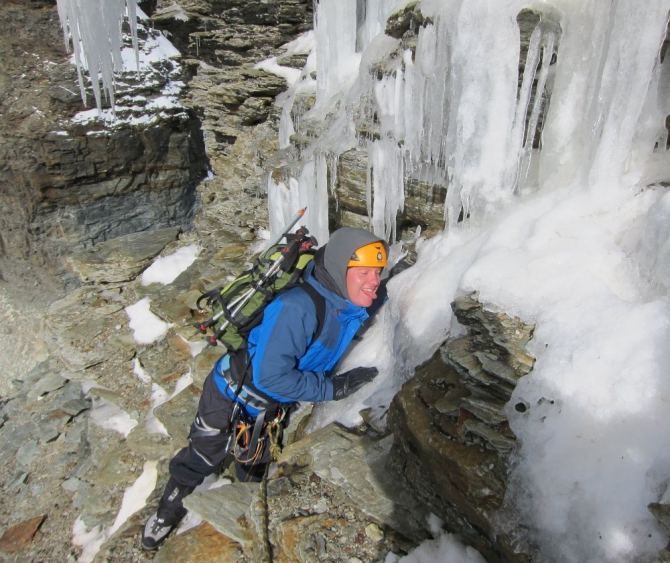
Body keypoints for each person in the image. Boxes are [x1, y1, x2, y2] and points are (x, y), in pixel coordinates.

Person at [141, 227, 388, 551]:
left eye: (379, 272)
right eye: (365, 272)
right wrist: (332, 388)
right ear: (342, 268)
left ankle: (242, 519)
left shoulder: (347, 301)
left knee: (254, 467)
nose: (375, 281)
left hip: (270, 407)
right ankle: (166, 512)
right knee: (203, 456)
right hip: (231, 395)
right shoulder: (297, 307)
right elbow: (271, 377)